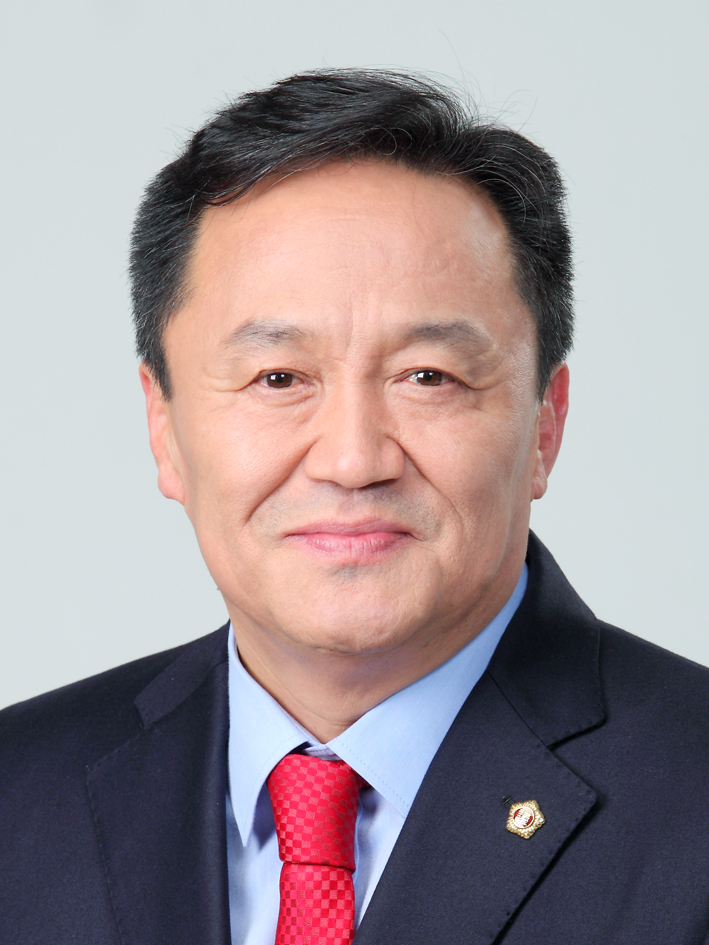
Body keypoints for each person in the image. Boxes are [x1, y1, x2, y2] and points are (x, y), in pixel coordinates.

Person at [1, 69, 708, 945]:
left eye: (427, 377)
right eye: (278, 378)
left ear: (544, 424)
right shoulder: (19, 796)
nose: (352, 460)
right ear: (164, 428)